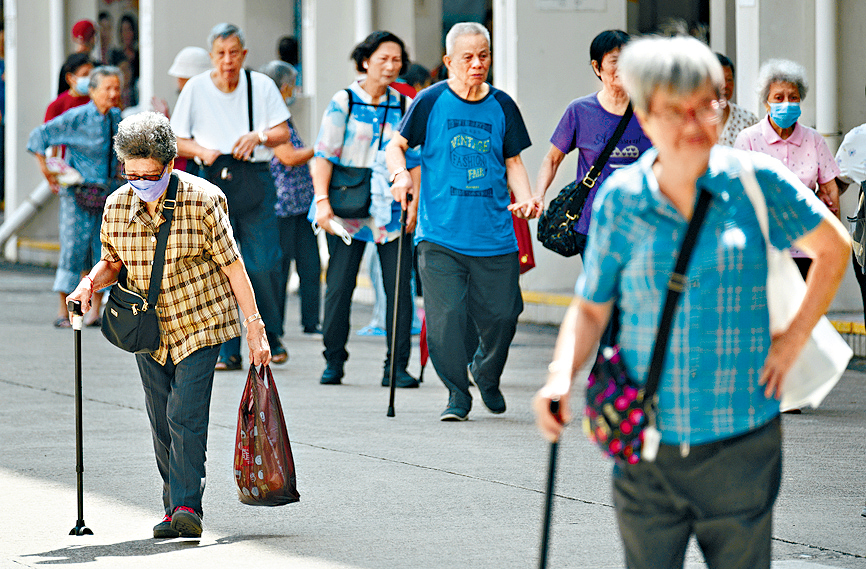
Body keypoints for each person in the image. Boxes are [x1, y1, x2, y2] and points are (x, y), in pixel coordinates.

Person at [533, 35, 850, 568]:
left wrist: (794, 337)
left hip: (742, 438)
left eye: (708, 105)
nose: (697, 123)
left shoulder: (757, 183)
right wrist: (561, 374)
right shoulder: (621, 201)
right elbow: (590, 306)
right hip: (647, 445)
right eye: (676, 110)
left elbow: (833, 248)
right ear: (644, 115)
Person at [65, 111, 271, 539]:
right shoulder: (116, 205)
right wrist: (88, 284)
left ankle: (187, 506)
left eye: (150, 175)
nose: (140, 182)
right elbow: (112, 261)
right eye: (132, 174)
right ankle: (172, 505)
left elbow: (233, 267)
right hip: (147, 328)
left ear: (171, 164)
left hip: (200, 320)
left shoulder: (204, 199)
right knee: (161, 420)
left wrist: (255, 327)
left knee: (184, 414)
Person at [386, 22, 541, 420]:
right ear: (449, 60)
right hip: (440, 235)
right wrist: (400, 175)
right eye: (468, 57)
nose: (477, 64)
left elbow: (513, 162)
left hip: (495, 235)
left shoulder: (502, 104)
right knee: (446, 320)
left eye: (483, 56)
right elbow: (396, 146)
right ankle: (457, 393)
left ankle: (485, 372)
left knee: (504, 315)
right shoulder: (430, 100)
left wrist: (526, 199)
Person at [171, 23, 290, 369]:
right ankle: (226, 349)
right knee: (216, 265)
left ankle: (270, 334)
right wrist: (202, 151)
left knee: (263, 262)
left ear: (244, 54)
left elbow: (282, 132)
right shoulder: (196, 88)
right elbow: (176, 139)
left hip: (253, 175)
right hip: (210, 177)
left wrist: (258, 136)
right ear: (211, 56)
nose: (228, 61)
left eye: (234, 53)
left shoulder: (261, 85)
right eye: (221, 54)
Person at [312, 30, 418, 388]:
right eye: (383, 59)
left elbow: (414, 158)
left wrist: (414, 203)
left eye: (396, 60)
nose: (390, 66)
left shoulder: (404, 104)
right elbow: (324, 155)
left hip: (390, 207)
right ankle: (333, 361)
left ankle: (396, 367)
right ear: (365, 61)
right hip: (346, 206)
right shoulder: (344, 101)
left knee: (399, 287)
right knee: (339, 286)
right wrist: (322, 203)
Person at [535, 30, 651, 254]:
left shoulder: (649, 110)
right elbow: (552, 159)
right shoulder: (580, 110)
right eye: (615, 61)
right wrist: (539, 195)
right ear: (597, 67)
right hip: (593, 225)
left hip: (639, 222)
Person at [28, 66, 123, 328]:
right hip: (77, 195)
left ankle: (95, 311)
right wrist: (48, 172)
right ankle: (64, 310)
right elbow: (39, 136)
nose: (113, 94)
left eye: (117, 88)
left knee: (104, 251)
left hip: (107, 195)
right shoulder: (76, 117)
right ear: (92, 91)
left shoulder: (116, 117)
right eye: (107, 88)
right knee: (72, 251)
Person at [735, 58, 841, 279]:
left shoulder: (814, 140)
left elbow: (830, 189)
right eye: (778, 97)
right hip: (763, 249)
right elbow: (738, 192)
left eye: (793, 97)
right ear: (766, 102)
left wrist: (833, 240)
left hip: (808, 247)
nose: (787, 103)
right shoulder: (749, 139)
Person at [260, 60, 321, 335]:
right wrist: (321, 148)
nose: (294, 91)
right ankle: (275, 327)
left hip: (301, 204)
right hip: (282, 206)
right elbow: (288, 156)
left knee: (310, 265)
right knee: (280, 268)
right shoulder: (269, 117)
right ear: (283, 87)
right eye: (292, 86)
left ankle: (311, 321)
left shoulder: (283, 115)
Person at [715, 52, 758, 147]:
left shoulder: (747, 120)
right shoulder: (694, 119)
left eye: (729, 80)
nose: (725, 85)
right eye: (720, 79)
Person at [46, 54, 94, 122]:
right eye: (85, 75)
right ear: (70, 78)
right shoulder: (56, 106)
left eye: (92, 75)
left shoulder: (98, 101)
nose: (89, 79)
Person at [108, 14, 139, 108]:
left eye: (129, 30)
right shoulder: (115, 55)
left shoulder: (139, 56)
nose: (127, 34)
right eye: (124, 30)